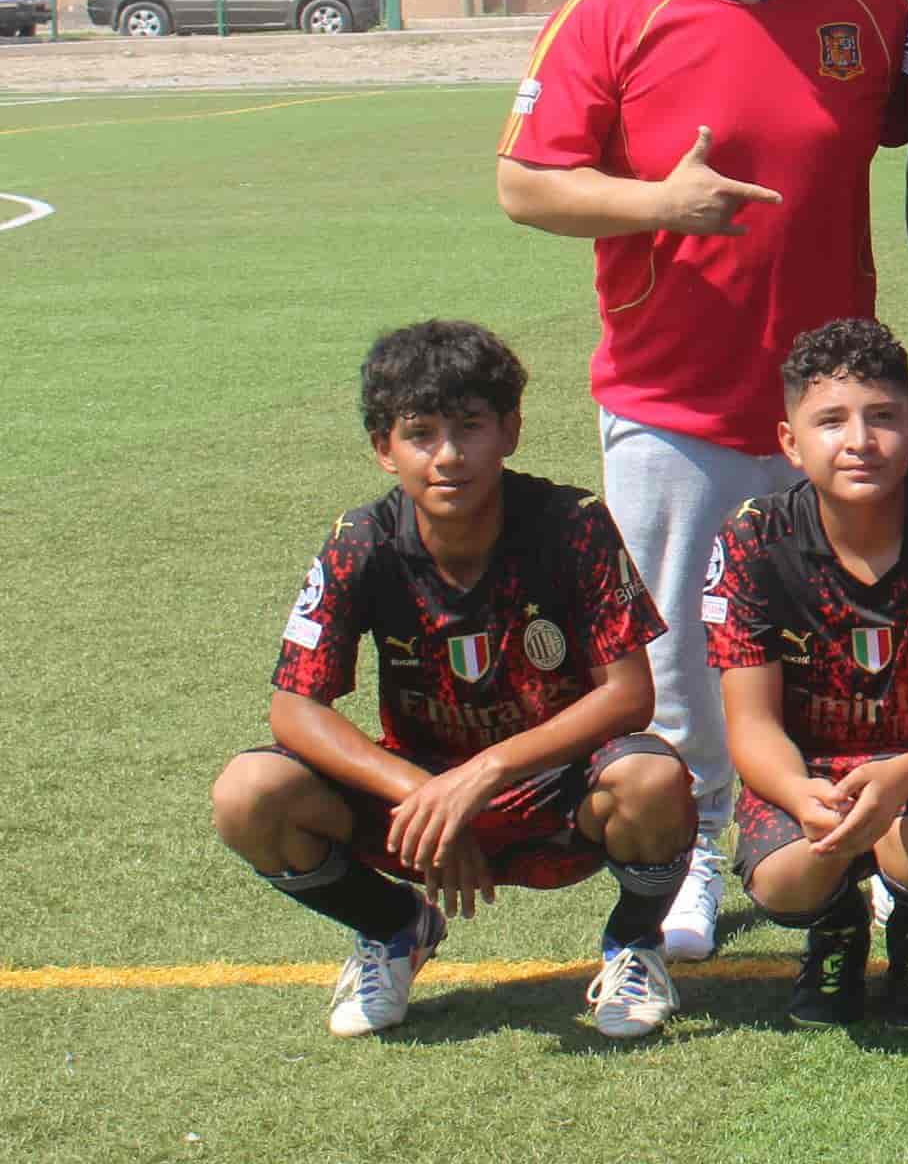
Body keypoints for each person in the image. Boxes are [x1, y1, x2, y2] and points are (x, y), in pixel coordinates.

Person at [496, 0, 908, 960]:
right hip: (672, 399)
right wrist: (657, 202)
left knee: (863, 646)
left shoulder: (867, 7)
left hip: (840, 407)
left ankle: (871, 843)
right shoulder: (610, 13)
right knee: (678, 648)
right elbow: (525, 181)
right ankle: (690, 854)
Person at [209, 321, 696, 1041]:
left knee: (653, 780)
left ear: (510, 430)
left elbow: (629, 695)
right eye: (421, 433)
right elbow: (293, 706)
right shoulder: (362, 540)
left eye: (469, 427)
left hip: (555, 786)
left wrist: (487, 772)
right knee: (248, 795)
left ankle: (634, 943)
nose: (447, 456)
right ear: (384, 448)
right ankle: (394, 929)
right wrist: (424, 792)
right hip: (418, 807)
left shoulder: (572, 523)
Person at [709, 320, 908, 1031]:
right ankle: (835, 927)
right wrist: (798, 793)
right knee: (787, 875)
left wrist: (903, 777)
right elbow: (751, 725)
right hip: (814, 770)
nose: (860, 441)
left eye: (883, 418)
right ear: (789, 442)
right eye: (830, 421)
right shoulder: (751, 538)